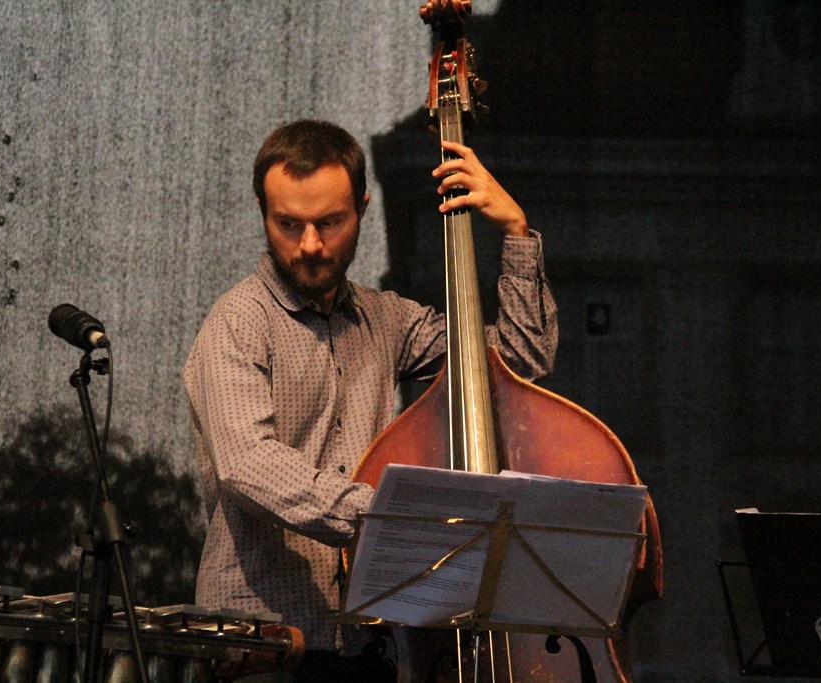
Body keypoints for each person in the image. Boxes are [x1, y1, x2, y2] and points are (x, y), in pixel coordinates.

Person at [183, 119, 557, 681]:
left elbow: (519, 361)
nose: (310, 245)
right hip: (260, 647)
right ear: (262, 210)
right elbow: (247, 464)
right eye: (288, 224)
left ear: (360, 209)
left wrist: (517, 233)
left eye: (329, 223)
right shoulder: (238, 321)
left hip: (364, 647)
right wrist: (384, 514)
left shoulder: (386, 320)